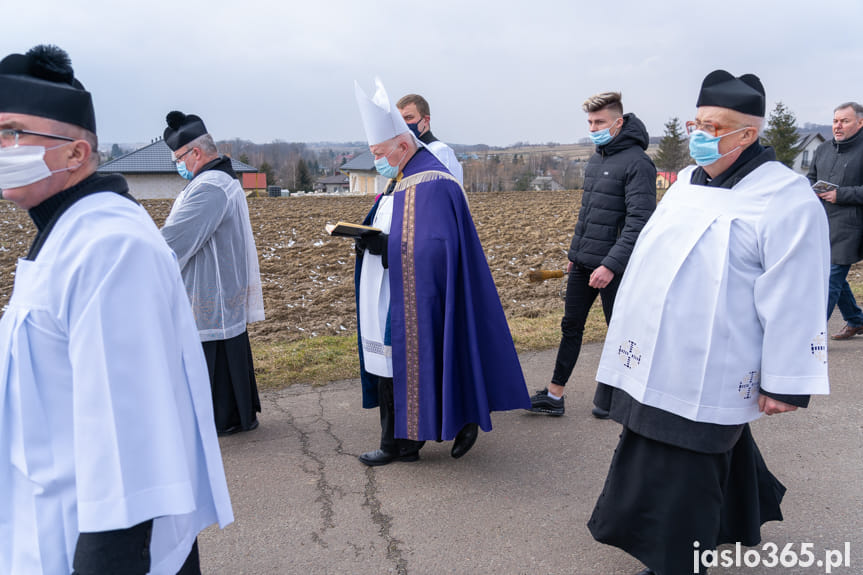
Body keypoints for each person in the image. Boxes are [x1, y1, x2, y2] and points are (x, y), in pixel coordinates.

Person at [0, 45, 232, 574]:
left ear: (75, 154)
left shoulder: (109, 248)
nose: (3, 147)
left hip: (88, 542)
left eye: (14, 133)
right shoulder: (63, 235)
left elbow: (131, 459)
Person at [587, 70, 830, 575]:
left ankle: (674, 557)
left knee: (689, 463)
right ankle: (734, 516)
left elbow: (796, 296)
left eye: (714, 126)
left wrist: (784, 382)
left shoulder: (785, 198)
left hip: (716, 364)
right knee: (653, 444)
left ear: (748, 134)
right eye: (698, 122)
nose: (701, 133)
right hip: (655, 356)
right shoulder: (683, 187)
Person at [352, 78, 530, 466]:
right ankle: (404, 440)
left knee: (421, 355)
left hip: (422, 289)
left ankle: (404, 440)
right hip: (391, 285)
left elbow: (433, 244)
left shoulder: (432, 179)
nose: (377, 160)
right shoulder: (398, 178)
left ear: (402, 144)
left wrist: (388, 247)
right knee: (392, 361)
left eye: (379, 152)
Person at [529, 92, 656, 418]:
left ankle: (621, 398)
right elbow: (589, 214)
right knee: (571, 326)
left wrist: (611, 265)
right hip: (584, 263)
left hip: (615, 268)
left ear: (618, 122)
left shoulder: (638, 163)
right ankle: (555, 396)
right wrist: (577, 253)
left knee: (620, 332)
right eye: (589, 122)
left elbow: (639, 222)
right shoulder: (597, 158)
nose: (593, 127)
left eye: (599, 122)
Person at [161, 111, 265, 436]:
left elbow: (175, 240)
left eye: (179, 157)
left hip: (209, 290)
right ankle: (234, 413)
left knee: (211, 351)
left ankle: (222, 418)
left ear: (195, 152)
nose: (177, 164)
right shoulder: (217, 180)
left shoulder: (210, 187)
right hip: (216, 286)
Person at [807, 102, 863, 340]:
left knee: (829, 279)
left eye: (845, 121)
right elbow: (810, 177)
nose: (838, 126)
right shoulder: (824, 149)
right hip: (822, 222)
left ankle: (812, 336)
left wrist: (841, 195)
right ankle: (856, 319)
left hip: (851, 225)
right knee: (831, 275)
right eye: (835, 121)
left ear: (860, 123)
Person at [397, 93, 464, 184]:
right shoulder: (407, 153)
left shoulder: (440, 152)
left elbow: (449, 191)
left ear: (426, 120)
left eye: (409, 118)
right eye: (399, 119)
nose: (403, 124)